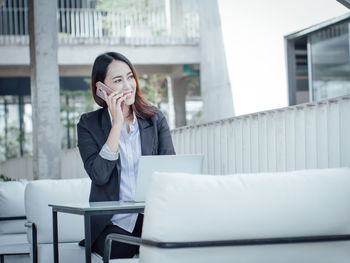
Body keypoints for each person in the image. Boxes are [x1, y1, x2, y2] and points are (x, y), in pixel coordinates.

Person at [77, 52, 175, 259]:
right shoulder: (88, 124)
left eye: (130, 77)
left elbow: (171, 171)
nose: (128, 85)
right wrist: (118, 123)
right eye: (118, 80)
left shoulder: (155, 120)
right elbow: (100, 175)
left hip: (152, 218)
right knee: (120, 248)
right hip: (112, 223)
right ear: (101, 88)